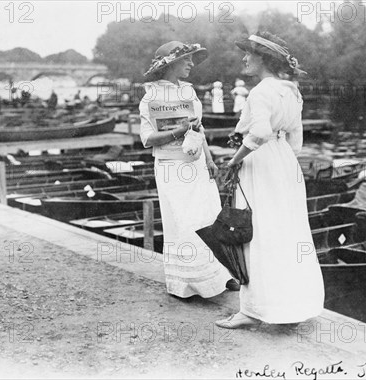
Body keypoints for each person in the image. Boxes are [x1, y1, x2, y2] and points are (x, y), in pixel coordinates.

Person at [215, 31, 325, 329]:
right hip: (284, 163)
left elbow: (260, 133)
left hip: (260, 163)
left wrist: (234, 161)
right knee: (286, 232)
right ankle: (291, 306)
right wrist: (281, 160)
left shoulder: (261, 91)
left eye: (249, 54)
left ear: (263, 58)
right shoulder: (291, 91)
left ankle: (251, 311)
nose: (244, 58)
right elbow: (296, 142)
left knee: (257, 232)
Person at [139, 41, 238, 298]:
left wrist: (210, 159)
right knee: (184, 221)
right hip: (172, 166)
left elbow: (199, 129)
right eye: (187, 60)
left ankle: (219, 275)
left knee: (209, 215)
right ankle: (188, 283)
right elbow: (148, 138)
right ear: (171, 64)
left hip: (195, 164)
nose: (192, 64)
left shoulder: (190, 93)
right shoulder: (152, 96)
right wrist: (177, 130)